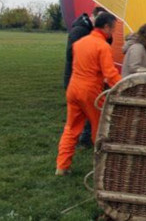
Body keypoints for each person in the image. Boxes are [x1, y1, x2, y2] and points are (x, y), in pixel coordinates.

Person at [56, 13, 122, 175]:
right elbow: (110, 74)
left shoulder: (80, 43)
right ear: (106, 27)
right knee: (99, 128)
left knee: (71, 127)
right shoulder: (103, 46)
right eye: (112, 28)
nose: (113, 32)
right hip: (90, 91)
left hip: (73, 88)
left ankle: (62, 166)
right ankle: (101, 167)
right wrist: (125, 87)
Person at [63, 6, 107, 147]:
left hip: (83, 81)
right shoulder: (80, 31)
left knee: (85, 115)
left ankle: (84, 140)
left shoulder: (94, 34)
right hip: (77, 79)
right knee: (85, 115)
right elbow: (70, 54)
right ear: (92, 16)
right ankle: (89, 141)